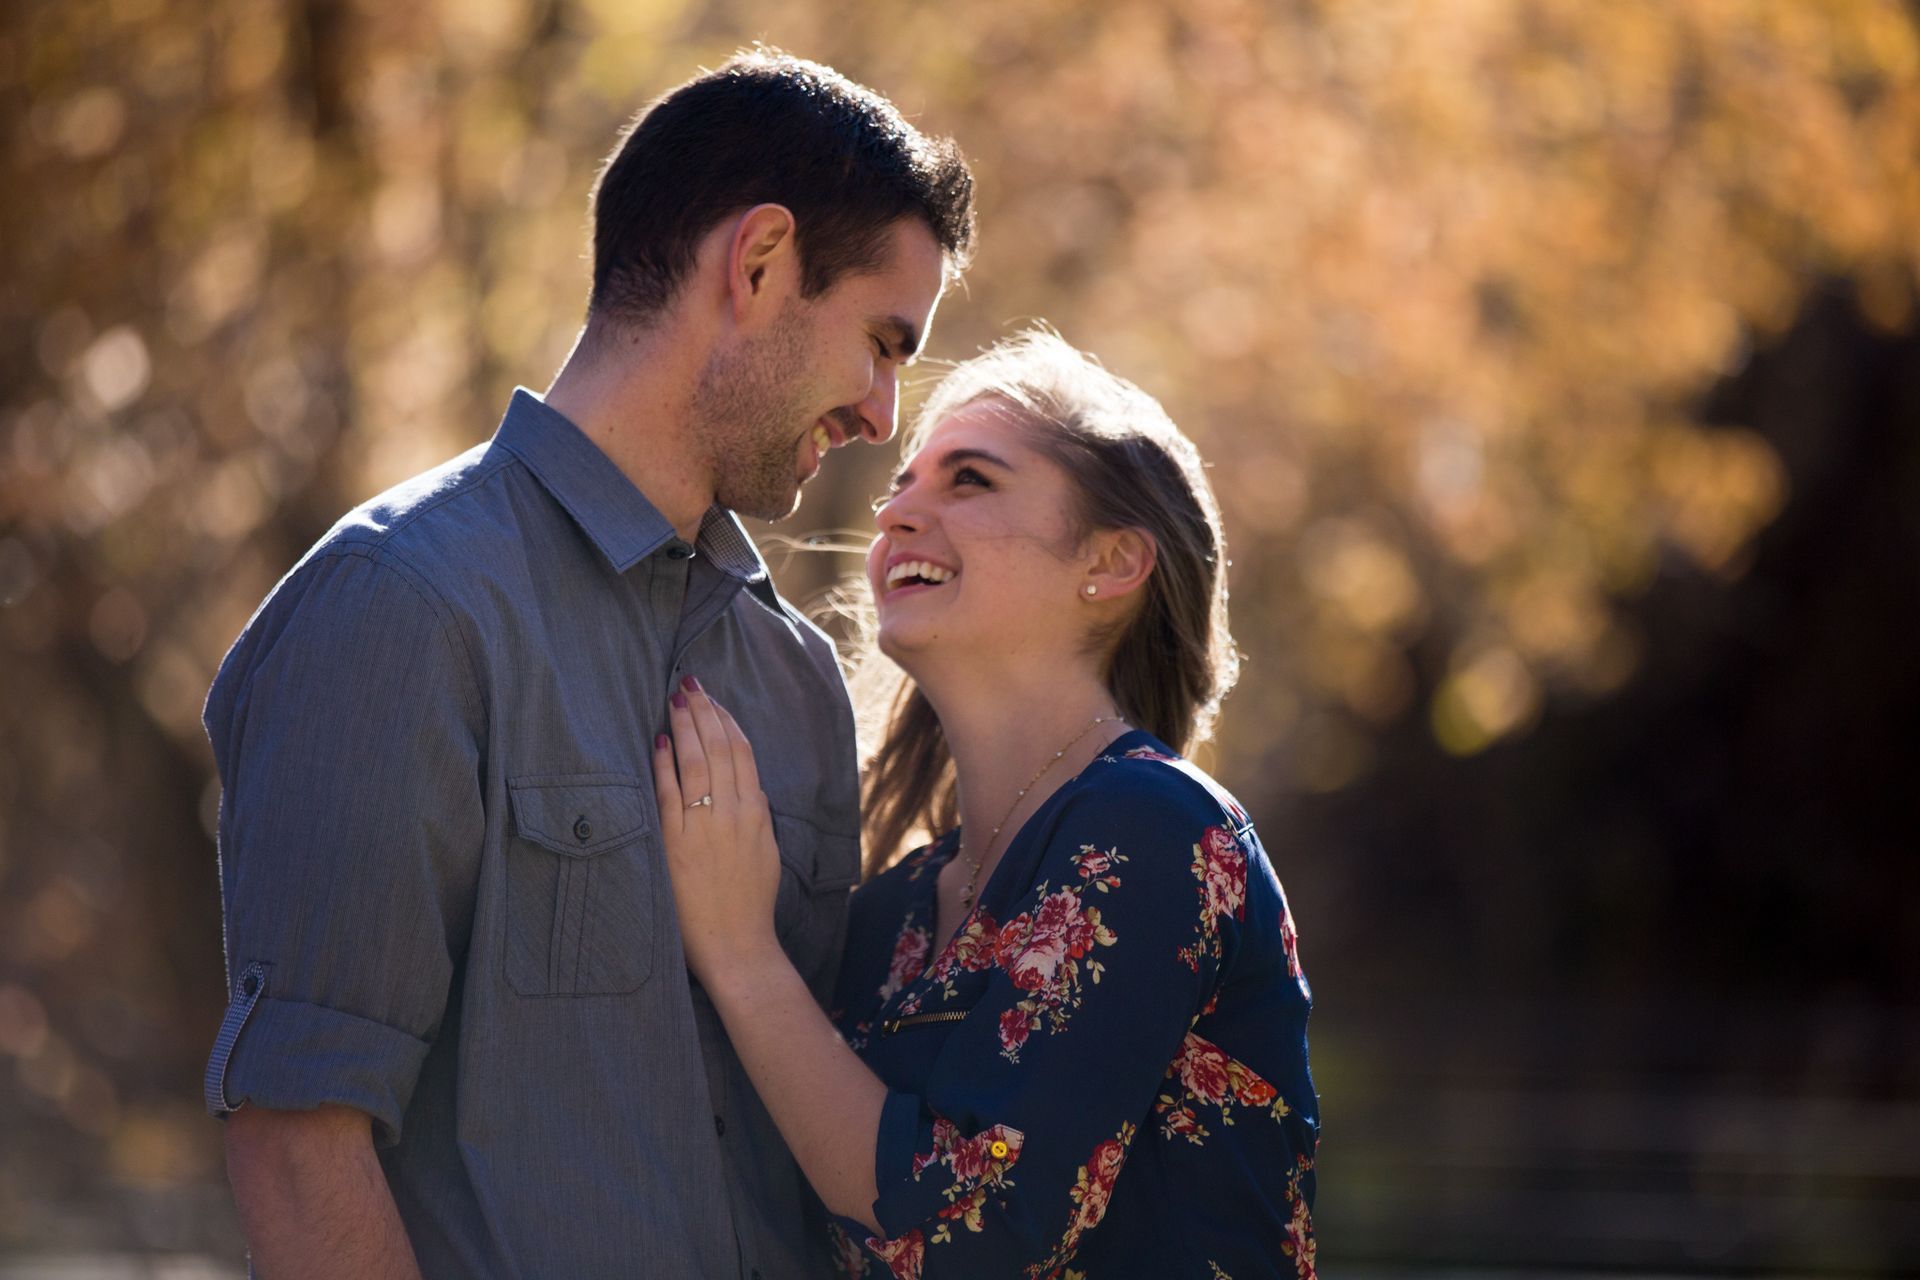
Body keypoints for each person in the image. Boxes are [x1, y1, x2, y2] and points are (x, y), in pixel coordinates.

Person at [200, 50, 973, 1278]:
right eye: (881, 342)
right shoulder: (401, 606)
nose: (884, 412)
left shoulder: (798, 681)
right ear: (759, 263)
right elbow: (300, 1144)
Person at [654, 329, 1319, 1279]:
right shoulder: (887, 915)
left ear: (1112, 563)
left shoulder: (1161, 832)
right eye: (899, 489)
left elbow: (975, 1233)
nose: (895, 519)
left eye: (968, 481)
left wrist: (742, 957)